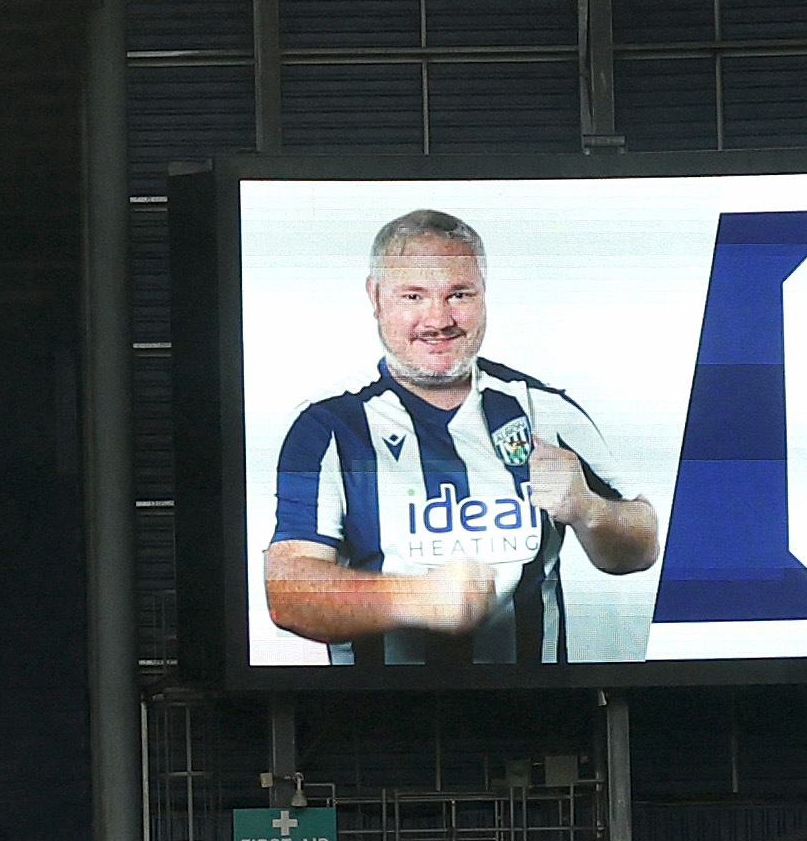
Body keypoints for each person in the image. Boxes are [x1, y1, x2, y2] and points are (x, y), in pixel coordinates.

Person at [261, 208, 663, 665]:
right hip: (375, 719)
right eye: (413, 296)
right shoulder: (329, 427)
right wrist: (418, 598)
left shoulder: (543, 409)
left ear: (484, 296)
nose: (438, 318)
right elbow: (288, 592)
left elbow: (641, 545)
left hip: (539, 715)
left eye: (459, 294)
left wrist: (588, 510)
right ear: (376, 298)